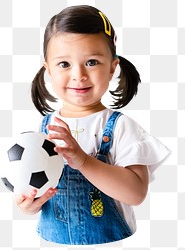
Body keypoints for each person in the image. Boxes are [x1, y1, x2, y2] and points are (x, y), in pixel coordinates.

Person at [15, 5, 171, 245]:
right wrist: (29, 205)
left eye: (92, 62)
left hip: (111, 244)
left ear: (112, 67)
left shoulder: (120, 127)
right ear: (48, 70)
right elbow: (39, 191)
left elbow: (136, 193)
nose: (79, 75)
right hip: (51, 243)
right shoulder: (45, 129)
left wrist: (83, 160)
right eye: (64, 64)